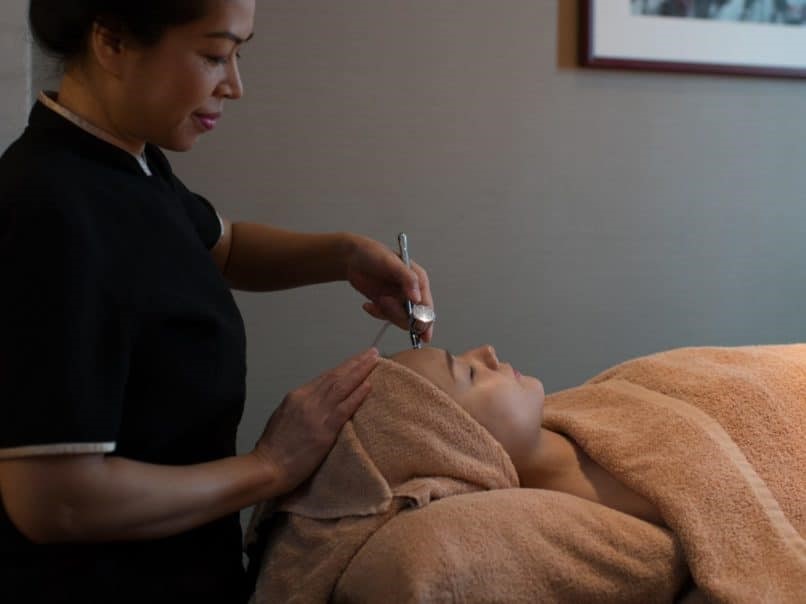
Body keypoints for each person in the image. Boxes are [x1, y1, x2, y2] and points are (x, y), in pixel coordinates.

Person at [0, 1, 434, 602]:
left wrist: (344, 255)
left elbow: (219, 247)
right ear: (112, 42)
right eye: (213, 55)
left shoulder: (125, 160)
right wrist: (270, 467)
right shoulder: (52, 211)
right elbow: (54, 501)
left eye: (238, 54)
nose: (234, 85)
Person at [392, 346, 665, 527]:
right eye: (469, 372)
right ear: (464, 446)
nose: (487, 352)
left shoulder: (599, 398)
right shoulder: (577, 519)